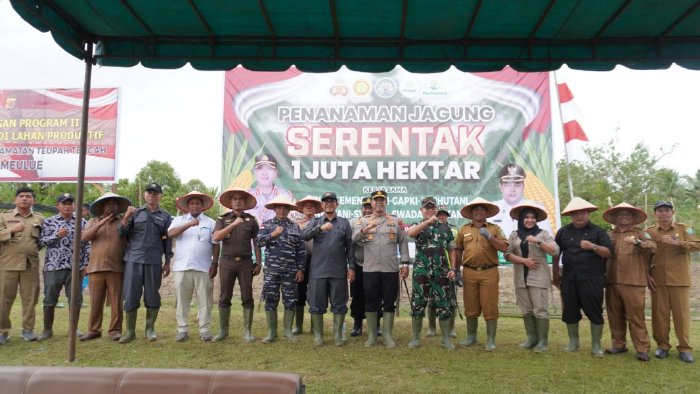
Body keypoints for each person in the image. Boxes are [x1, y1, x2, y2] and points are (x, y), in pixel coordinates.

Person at [553, 197, 611, 357]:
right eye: (575, 214)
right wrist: (555, 274)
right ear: (571, 215)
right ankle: (573, 342)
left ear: (588, 214)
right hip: (569, 277)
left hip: (592, 277)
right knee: (570, 309)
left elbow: (608, 252)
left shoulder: (598, 231)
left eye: (583, 213)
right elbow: (556, 253)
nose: (579, 216)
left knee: (594, 310)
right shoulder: (563, 231)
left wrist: (593, 246)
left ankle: (596, 345)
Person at [353, 190, 409, 348]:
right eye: (376, 200)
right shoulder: (364, 221)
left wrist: (405, 264)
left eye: (382, 200)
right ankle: (371, 335)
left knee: (389, 302)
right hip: (369, 269)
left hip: (390, 269)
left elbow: (403, 243)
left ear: (386, 202)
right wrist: (366, 228)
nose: (379, 203)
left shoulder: (395, 221)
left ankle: (387, 335)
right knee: (370, 302)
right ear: (371, 203)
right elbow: (353, 239)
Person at [118, 182, 173, 343]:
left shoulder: (165, 216)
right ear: (145, 195)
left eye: (155, 193)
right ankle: (130, 331)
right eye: (149, 192)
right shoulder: (135, 213)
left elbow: (167, 240)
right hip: (133, 260)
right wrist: (126, 216)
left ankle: (150, 329)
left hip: (154, 261)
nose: (152, 195)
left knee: (152, 296)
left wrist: (167, 261)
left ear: (160, 196)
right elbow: (121, 233)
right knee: (131, 296)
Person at [451, 197, 508, 351]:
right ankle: (471, 336)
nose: (478, 212)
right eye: (475, 210)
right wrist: (456, 271)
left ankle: (490, 340)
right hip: (469, 271)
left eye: (482, 209)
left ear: (486, 213)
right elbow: (457, 250)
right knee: (471, 305)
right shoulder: (463, 229)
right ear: (471, 213)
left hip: (489, 271)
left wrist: (490, 237)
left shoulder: (494, 229)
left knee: (489, 306)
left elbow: (504, 247)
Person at [646, 201, 700, 363]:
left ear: (673, 212)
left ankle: (684, 348)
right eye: (660, 211)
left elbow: (697, 245)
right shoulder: (649, 232)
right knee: (659, 315)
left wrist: (677, 242)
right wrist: (647, 275)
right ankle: (662, 346)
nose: (664, 213)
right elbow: (645, 255)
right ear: (655, 214)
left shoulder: (684, 229)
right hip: (658, 280)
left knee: (681, 316)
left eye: (667, 210)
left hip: (680, 279)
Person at [602, 202, 655, 361]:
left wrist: (637, 243)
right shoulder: (609, 235)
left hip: (633, 282)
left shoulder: (641, 234)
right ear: (615, 218)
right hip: (612, 281)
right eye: (620, 215)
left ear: (633, 218)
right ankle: (618, 345)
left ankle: (642, 348)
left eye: (627, 214)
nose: (623, 217)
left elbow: (653, 247)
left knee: (636, 317)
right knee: (614, 315)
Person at [301, 192, 355, 346]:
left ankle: (337, 335)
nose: (329, 204)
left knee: (339, 304)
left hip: (338, 271)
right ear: (322, 205)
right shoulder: (316, 221)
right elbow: (304, 236)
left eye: (332, 201)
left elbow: (350, 247)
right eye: (326, 201)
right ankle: (319, 335)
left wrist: (351, 267)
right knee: (316, 304)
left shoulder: (344, 223)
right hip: (318, 271)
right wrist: (319, 228)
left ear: (337, 204)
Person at [504, 204, 559, 353]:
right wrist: (524, 261)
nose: (529, 220)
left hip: (539, 277)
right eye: (526, 217)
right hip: (521, 278)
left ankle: (543, 342)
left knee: (540, 309)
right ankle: (531, 339)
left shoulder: (543, 234)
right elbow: (507, 254)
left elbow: (555, 251)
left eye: (532, 217)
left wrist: (538, 241)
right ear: (521, 219)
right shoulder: (514, 235)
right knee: (526, 310)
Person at [168, 191, 219, 342]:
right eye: (192, 203)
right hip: (182, 267)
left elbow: (216, 245)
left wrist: (215, 263)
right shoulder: (179, 219)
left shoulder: (211, 223)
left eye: (197, 203)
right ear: (187, 206)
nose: (195, 206)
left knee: (205, 300)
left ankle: (205, 329)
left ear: (202, 206)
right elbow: (171, 234)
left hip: (204, 267)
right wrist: (189, 224)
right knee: (182, 301)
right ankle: (182, 329)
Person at [38, 193, 90, 341]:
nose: (67, 206)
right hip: (53, 266)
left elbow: (86, 244)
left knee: (75, 299)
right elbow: (41, 242)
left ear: (74, 206)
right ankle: (47, 330)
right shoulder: (49, 222)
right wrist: (56, 235)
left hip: (75, 267)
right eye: (64, 203)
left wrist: (85, 263)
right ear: (58, 206)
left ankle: (73, 329)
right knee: (50, 298)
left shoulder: (82, 222)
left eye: (70, 203)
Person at [212, 187, 262, 342]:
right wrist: (233, 224)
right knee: (224, 296)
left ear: (245, 202)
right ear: (230, 202)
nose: (238, 201)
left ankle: (247, 331)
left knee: (247, 296)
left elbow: (256, 242)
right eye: (235, 199)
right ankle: (223, 331)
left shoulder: (251, 220)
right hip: (226, 262)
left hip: (246, 263)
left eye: (241, 199)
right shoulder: (222, 219)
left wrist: (259, 262)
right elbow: (217, 237)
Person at [406, 197, 456, 349]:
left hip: (441, 272)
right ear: (421, 210)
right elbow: (411, 234)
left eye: (432, 208)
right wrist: (427, 222)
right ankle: (415, 338)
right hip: (422, 272)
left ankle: (446, 339)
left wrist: (453, 268)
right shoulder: (418, 225)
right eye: (427, 208)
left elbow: (452, 248)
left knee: (444, 304)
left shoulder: (445, 228)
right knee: (418, 304)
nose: (430, 210)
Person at [79, 192, 130, 341]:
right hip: (95, 267)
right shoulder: (93, 221)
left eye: (114, 203)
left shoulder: (123, 221)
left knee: (116, 300)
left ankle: (115, 330)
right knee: (95, 300)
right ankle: (94, 330)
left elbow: (127, 236)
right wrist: (101, 223)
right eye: (108, 203)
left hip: (116, 267)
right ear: (102, 206)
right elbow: (83, 237)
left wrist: (124, 219)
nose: (111, 206)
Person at [257, 195, 306, 343]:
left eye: (285, 207)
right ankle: (272, 333)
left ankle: (288, 332)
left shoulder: (295, 226)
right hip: (272, 270)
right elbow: (258, 242)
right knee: (271, 299)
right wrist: (273, 234)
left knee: (290, 300)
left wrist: (300, 269)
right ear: (274, 209)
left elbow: (301, 250)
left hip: (290, 270)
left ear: (289, 209)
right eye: (279, 207)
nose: (282, 210)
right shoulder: (266, 225)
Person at [0, 187, 44, 344]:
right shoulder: (4, 217)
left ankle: (28, 330)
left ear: (34, 201)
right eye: (21, 196)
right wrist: (11, 230)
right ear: (15, 200)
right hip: (7, 263)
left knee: (30, 299)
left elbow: (41, 240)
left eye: (28, 196)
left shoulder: (39, 219)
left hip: (30, 264)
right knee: (3, 299)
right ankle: (2, 332)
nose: (24, 198)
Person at [491, 163, 553, 236]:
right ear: (500, 187)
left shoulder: (537, 208)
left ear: (523, 186)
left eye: (517, 184)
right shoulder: (492, 209)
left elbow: (547, 237)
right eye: (507, 184)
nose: (512, 189)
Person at [426, 205, 460, 338]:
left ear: (447, 216)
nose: (441, 216)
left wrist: (455, 269)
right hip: (432, 269)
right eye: (439, 214)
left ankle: (451, 329)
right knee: (431, 300)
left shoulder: (454, 230)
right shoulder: (426, 227)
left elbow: (456, 251)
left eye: (444, 214)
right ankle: (431, 328)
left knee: (451, 300)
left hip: (449, 270)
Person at [292, 195, 322, 335]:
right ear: (302, 208)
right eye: (306, 205)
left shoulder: (322, 222)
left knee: (316, 293)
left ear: (317, 208)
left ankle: (314, 326)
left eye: (312, 205)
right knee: (299, 292)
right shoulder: (295, 224)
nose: (309, 207)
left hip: (318, 261)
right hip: (300, 261)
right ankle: (298, 326)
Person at [348, 196, 373, 337]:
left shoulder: (381, 221)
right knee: (357, 296)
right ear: (362, 208)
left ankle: (376, 325)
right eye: (365, 207)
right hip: (358, 264)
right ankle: (357, 325)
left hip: (376, 265)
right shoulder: (353, 222)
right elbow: (350, 243)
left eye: (370, 207)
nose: (368, 210)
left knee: (375, 295)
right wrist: (351, 266)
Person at [247, 154, 295, 223]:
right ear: (255, 172)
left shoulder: (287, 196)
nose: (264, 173)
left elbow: (294, 221)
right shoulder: (246, 196)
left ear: (276, 173)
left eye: (269, 169)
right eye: (260, 169)